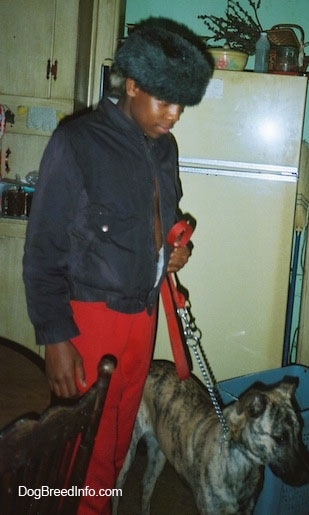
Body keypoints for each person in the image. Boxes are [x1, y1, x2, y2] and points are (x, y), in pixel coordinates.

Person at [23, 17, 213, 514]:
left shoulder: (164, 147)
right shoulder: (76, 142)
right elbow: (42, 249)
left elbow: (160, 221)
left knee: (116, 442)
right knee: (79, 452)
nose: (174, 115)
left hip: (143, 317)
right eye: (164, 100)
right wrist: (55, 338)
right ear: (132, 85)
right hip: (89, 319)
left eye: (181, 105)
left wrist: (172, 253)